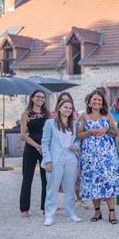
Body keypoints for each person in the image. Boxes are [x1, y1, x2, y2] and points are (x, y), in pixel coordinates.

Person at [77, 89, 119, 225]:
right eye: (94, 100)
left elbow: (116, 132)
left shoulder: (108, 115)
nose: (97, 102)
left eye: (99, 100)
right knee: (94, 182)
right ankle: (97, 211)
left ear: (102, 102)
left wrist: (106, 130)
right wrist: (90, 132)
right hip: (90, 156)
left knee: (109, 181)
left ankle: (111, 212)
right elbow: (79, 135)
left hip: (107, 156)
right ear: (90, 102)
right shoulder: (83, 116)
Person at [41, 99, 82, 226]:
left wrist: (75, 145)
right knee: (52, 188)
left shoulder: (75, 124)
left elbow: (78, 140)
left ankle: (71, 214)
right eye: (65, 107)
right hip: (55, 159)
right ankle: (50, 215)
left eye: (70, 108)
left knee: (69, 188)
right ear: (59, 108)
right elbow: (45, 142)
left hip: (71, 159)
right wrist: (47, 160)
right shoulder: (50, 123)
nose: (68, 110)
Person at [19, 90, 50, 218]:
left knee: (46, 179)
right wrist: (36, 145)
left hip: (45, 149)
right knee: (27, 178)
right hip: (31, 147)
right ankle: (24, 208)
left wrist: (45, 146)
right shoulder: (26, 114)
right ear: (32, 98)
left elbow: (52, 130)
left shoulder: (47, 114)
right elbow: (22, 135)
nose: (40, 99)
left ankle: (45, 207)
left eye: (43, 97)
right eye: (38, 96)